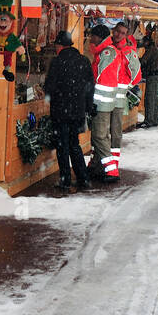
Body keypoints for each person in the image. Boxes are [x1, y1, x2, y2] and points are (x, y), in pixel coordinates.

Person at [43, 30, 94, 191]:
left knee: (62, 146)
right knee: (74, 145)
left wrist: (50, 95)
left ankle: (65, 179)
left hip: (60, 111)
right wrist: (88, 106)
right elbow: (90, 87)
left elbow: (49, 87)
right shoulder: (84, 61)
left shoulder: (57, 62)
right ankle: (83, 178)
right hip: (78, 111)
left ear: (59, 45)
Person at [87, 23, 121, 181]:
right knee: (99, 135)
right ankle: (97, 165)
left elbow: (99, 77)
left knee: (100, 136)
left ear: (99, 37)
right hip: (104, 101)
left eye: (92, 36)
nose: (90, 39)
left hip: (101, 101)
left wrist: (91, 97)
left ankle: (111, 171)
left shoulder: (107, 52)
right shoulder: (107, 51)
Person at [111, 21, 141, 173]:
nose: (119, 35)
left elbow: (136, 75)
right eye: (118, 31)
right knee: (101, 132)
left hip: (117, 99)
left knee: (115, 131)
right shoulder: (108, 48)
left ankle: (113, 164)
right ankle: (99, 161)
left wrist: (126, 84)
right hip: (104, 97)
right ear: (113, 30)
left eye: (123, 33)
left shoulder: (129, 51)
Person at [138, 28, 158, 128]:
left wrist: (135, 60)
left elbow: (143, 61)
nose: (143, 44)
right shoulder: (153, 49)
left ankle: (149, 121)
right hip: (156, 76)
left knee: (149, 98)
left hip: (153, 76)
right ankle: (153, 120)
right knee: (154, 99)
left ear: (147, 42)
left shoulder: (151, 49)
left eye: (144, 42)